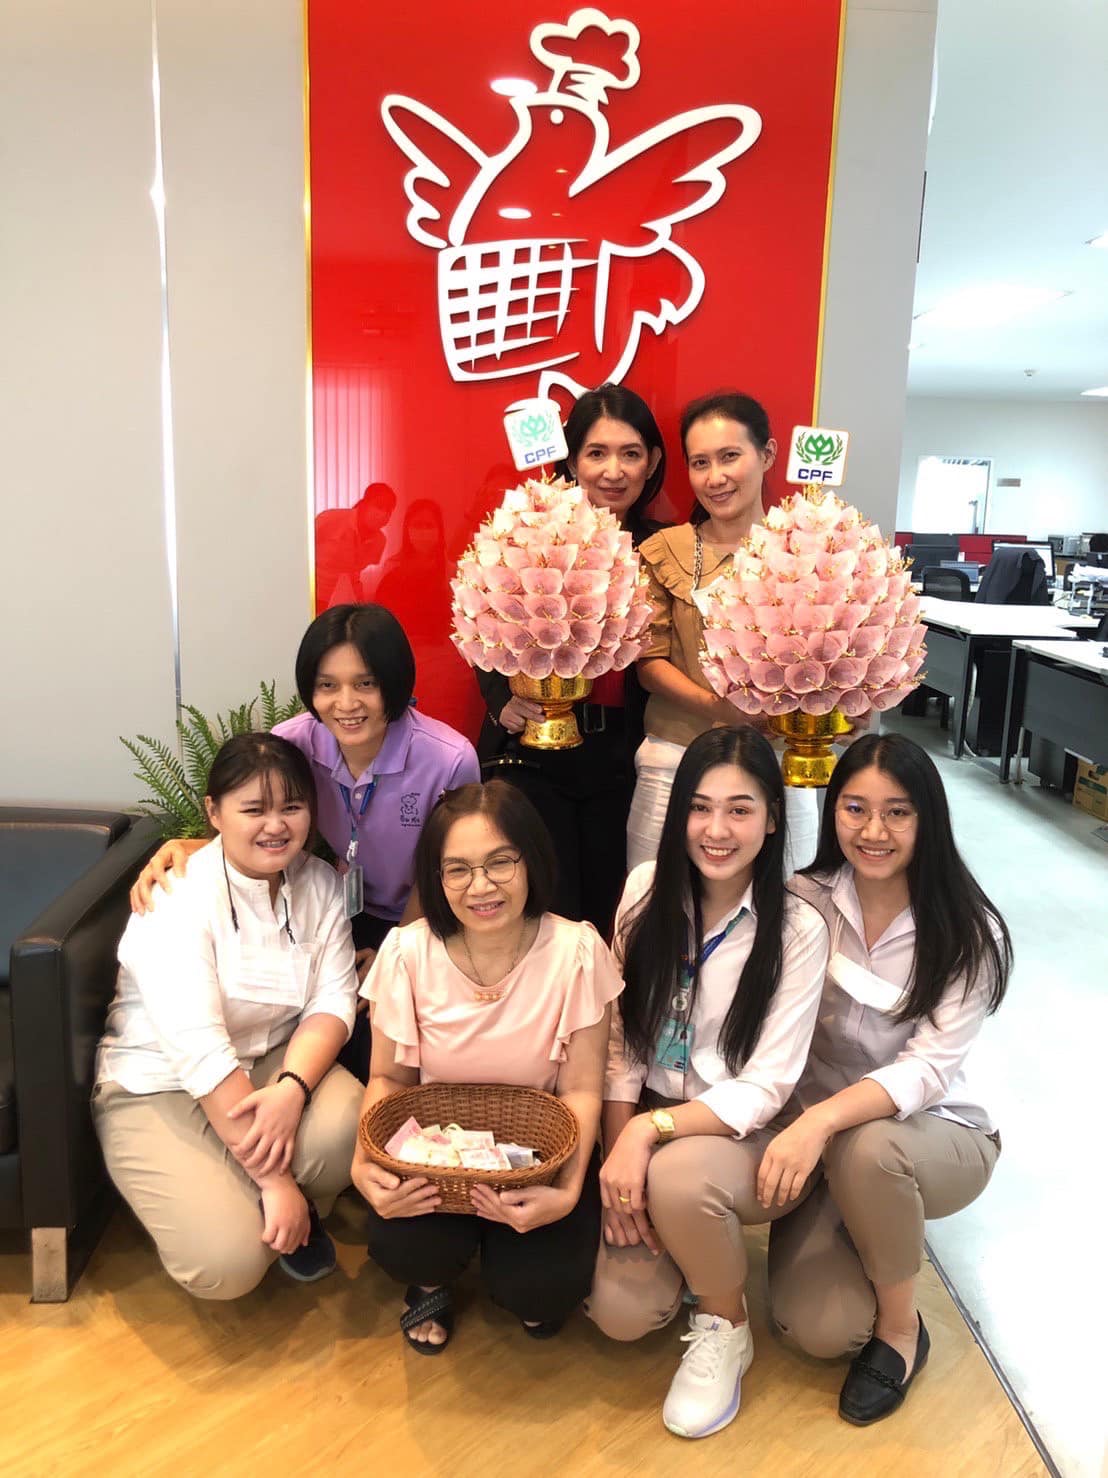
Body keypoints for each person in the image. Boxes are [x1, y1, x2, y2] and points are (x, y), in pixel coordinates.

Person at [587, 727, 829, 1440]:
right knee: (622, 1316)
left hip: (745, 1133)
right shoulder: (645, 890)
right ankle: (687, 1249)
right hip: (649, 1117)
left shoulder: (800, 927)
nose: (716, 830)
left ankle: (727, 1320)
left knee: (681, 1178)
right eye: (699, 807)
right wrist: (618, 1161)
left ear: (773, 818)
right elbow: (623, 1043)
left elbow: (766, 1088)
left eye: (739, 809)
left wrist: (648, 1132)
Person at [762, 733, 1011, 1425]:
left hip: (933, 1133)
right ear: (832, 811)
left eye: (898, 812)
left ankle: (902, 1331)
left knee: (871, 1149)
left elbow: (927, 1069)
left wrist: (819, 1120)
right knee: (820, 1330)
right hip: (822, 1142)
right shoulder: (804, 899)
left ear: (928, 818)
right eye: (855, 809)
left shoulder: (966, 929)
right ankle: (865, 1226)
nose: (874, 831)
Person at [130, 604, 480, 1077]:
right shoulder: (294, 742)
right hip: (339, 909)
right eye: (327, 685)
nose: (346, 704)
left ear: (394, 684)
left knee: (397, 1031)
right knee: (340, 1032)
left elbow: (445, 868)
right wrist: (189, 847)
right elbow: (259, 818)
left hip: (428, 916)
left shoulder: (448, 759)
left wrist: (397, 952)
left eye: (365, 684)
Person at [351, 779, 622, 1353]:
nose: (481, 886)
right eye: (458, 870)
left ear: (532, 860)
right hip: (436, 1160)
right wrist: (361, 1162)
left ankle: (514, 1264)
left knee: (543, 1290)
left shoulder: (576, 952)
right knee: (405, 1249)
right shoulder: (407, 952)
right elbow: (388, 1079)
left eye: (501, 862)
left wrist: (568, 1189)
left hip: (540, 1157)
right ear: (436, 877)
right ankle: (433, 1280)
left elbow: (581, 1089)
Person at [93, 733, 363, 1298]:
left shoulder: (319, 882)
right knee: (227, 1264)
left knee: (347, 1127)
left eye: (292, 807)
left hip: (268, 1063)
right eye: (254, 809)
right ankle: (260, 1198)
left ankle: (260, 1194)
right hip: (160, 1081)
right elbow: (200, 1049)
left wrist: (292, 1089)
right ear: (214, 813)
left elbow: (333, 1002)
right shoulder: (176, 895)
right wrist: (275, 1180)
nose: (276, 825)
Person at [475, 382, 667, 935]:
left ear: (652, 461)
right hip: (535, 753)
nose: (613, 471)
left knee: (615, 909)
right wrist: (501, 700)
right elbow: (483, 614)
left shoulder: (664, 549)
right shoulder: (528, 533)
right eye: (596, 453)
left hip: (627, 756)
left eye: (630, 453)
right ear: (571, 458)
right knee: (542, 909)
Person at [626, 390, 823, 875]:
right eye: (700, 463)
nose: (715, 478)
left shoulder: (812, 551)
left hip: (779, 760)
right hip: (674, 755)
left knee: (790, 898)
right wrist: (720, 709)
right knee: (653, 897)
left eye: (729, 456)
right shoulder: (665, 550)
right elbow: (649, 663)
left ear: (767, 454)